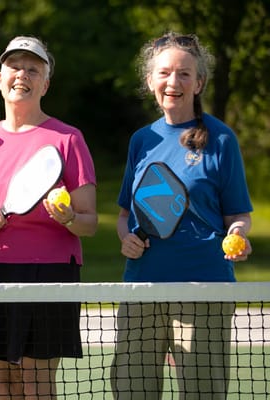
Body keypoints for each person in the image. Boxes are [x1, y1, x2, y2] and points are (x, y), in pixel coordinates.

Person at [110, 32, 253, 399]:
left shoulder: (221, 140)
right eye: (164, 73)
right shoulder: (141, 140)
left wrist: (237, 236)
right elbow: (126, 214)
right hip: (142, 287)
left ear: (199, 82)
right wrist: (125, 238)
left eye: (184, 74)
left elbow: (238, 215)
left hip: (203, 287)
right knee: (132, 392)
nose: (173, 82)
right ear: (150, 80)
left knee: (203, 393)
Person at [0, 36, 98, 399]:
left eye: (33, 69)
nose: (22, 75)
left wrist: (68, 217)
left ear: (45, 84)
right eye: (14, 67)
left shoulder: (68, 139)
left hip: (48, 272)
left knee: (36, 382)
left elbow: (90, 222)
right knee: (4, 382)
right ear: (0, 77)